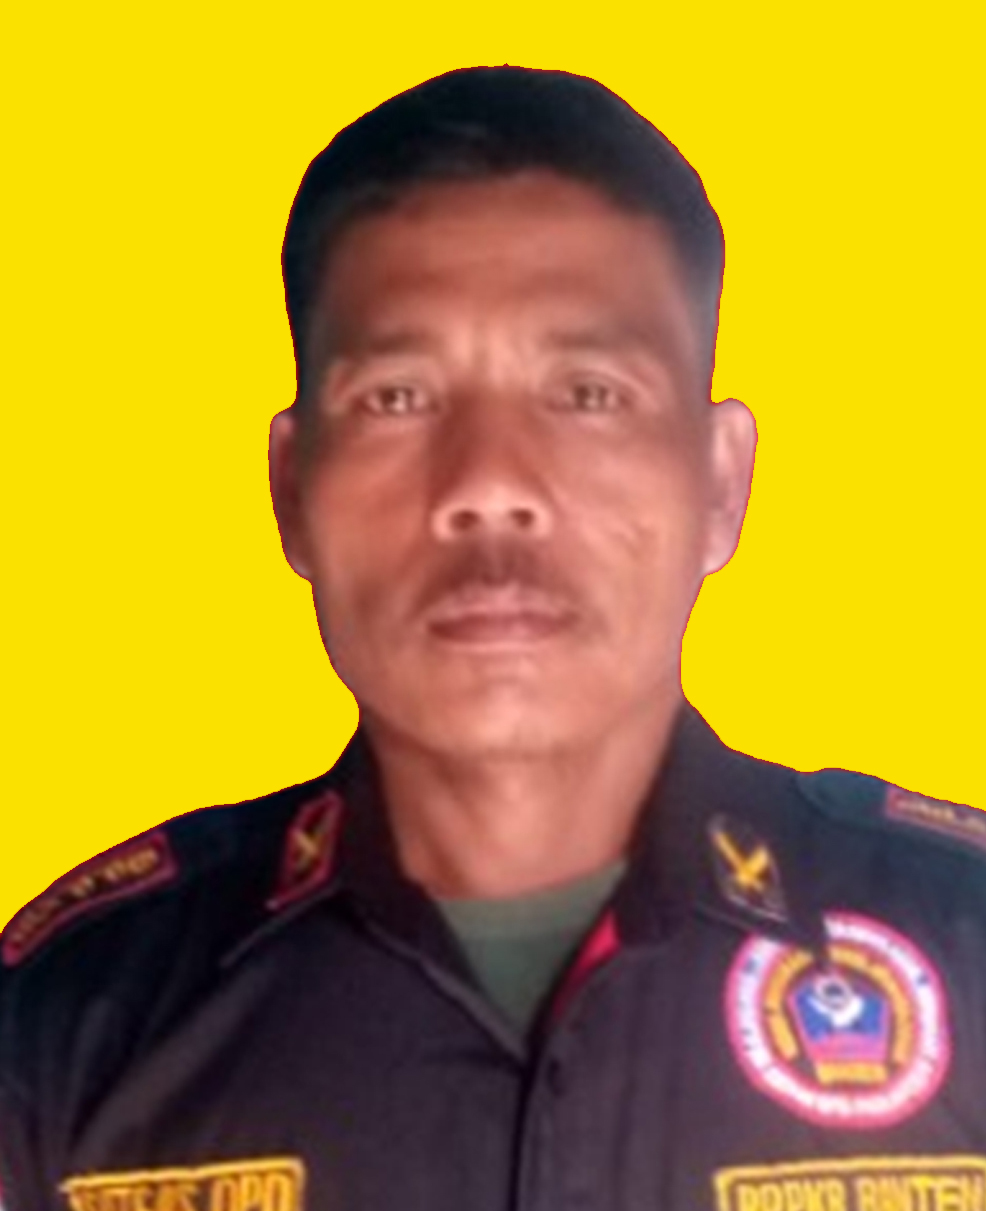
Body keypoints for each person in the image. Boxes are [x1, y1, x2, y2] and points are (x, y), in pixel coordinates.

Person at [3, 65, 986, 1211]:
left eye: (587, 393)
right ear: (290, 488)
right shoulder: (68, 1017)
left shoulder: (967, 946)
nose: (487, 484)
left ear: (721, 483)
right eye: (397, 397)